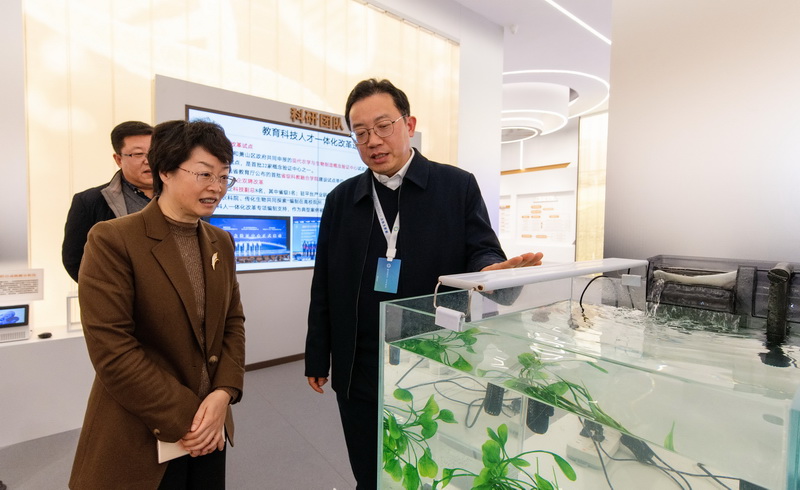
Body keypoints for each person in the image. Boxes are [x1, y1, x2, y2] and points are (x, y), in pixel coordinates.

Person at [304, 78, 543, 489]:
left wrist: (490, 273)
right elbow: (323, 281)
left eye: (383, 126)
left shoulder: (456, 186)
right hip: (358, 361)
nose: (373, 141)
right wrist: (316, 354)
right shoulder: (341, 200)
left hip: (433, 356)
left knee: (426, 465)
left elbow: (482, 250)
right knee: (368, 467)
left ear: (409, 124)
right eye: (360, 132)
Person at [69, 120, 246, 489]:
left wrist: (223, 393)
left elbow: (233, 322)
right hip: (144, 426)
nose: (216, 187)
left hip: (210, 425)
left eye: (224, 176)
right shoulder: (113, 239)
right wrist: (190, 417)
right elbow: (112, 349)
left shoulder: (221, 242)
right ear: (165, 171)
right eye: (204, 174)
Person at [62, 120, 154, 282]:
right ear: (118, 159)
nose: (148, 160)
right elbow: (74, 260)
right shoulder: (89, 201)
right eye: (138, 154)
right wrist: (107, 291)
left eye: (154, 152)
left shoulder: (179, 196)